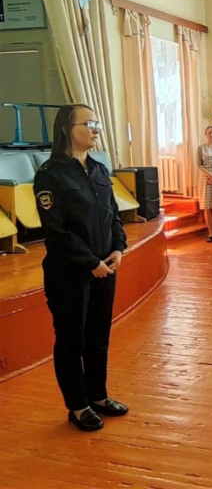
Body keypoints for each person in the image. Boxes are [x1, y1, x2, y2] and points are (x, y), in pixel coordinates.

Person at [33, 104, 128, 432]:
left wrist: (118, 247)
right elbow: (57, 231)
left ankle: (98, 395)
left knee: (98, 336)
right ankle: (77, 405)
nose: (95, 128)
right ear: (67, 129)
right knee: (71, 340)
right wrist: (91, 262)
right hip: (70, 273)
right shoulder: (51, 174)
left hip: (105, 267)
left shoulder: (99, 169)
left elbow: (113, 213)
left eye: (96, 122)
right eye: (88, 123)